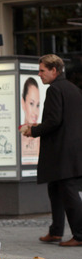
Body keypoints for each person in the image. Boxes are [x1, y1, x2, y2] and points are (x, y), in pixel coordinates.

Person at [19, 54, 82, 246]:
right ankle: (55, 232)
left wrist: (33, 130)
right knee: (55, 190)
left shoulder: (55, 89)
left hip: (61, 152)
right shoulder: (73, 89)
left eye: (42, 70)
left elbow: (54, 121)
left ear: (54, 70)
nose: (39, 74)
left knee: (68, 193)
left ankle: (79, 235)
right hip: (71, 149)